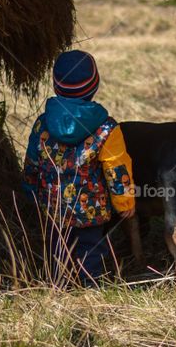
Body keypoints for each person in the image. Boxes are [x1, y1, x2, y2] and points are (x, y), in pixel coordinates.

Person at [22, 49, 135, 285]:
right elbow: (117, 169)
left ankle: (59, 286)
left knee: (57, 249)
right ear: (95, 86)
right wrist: (125, 202)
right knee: (91, 250)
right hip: (91, 211)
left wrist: (30, 190)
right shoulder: (107, 128)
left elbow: (32, 160)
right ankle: (92, 289)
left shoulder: (43, 124)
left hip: (53, 208)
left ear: (56, 86)